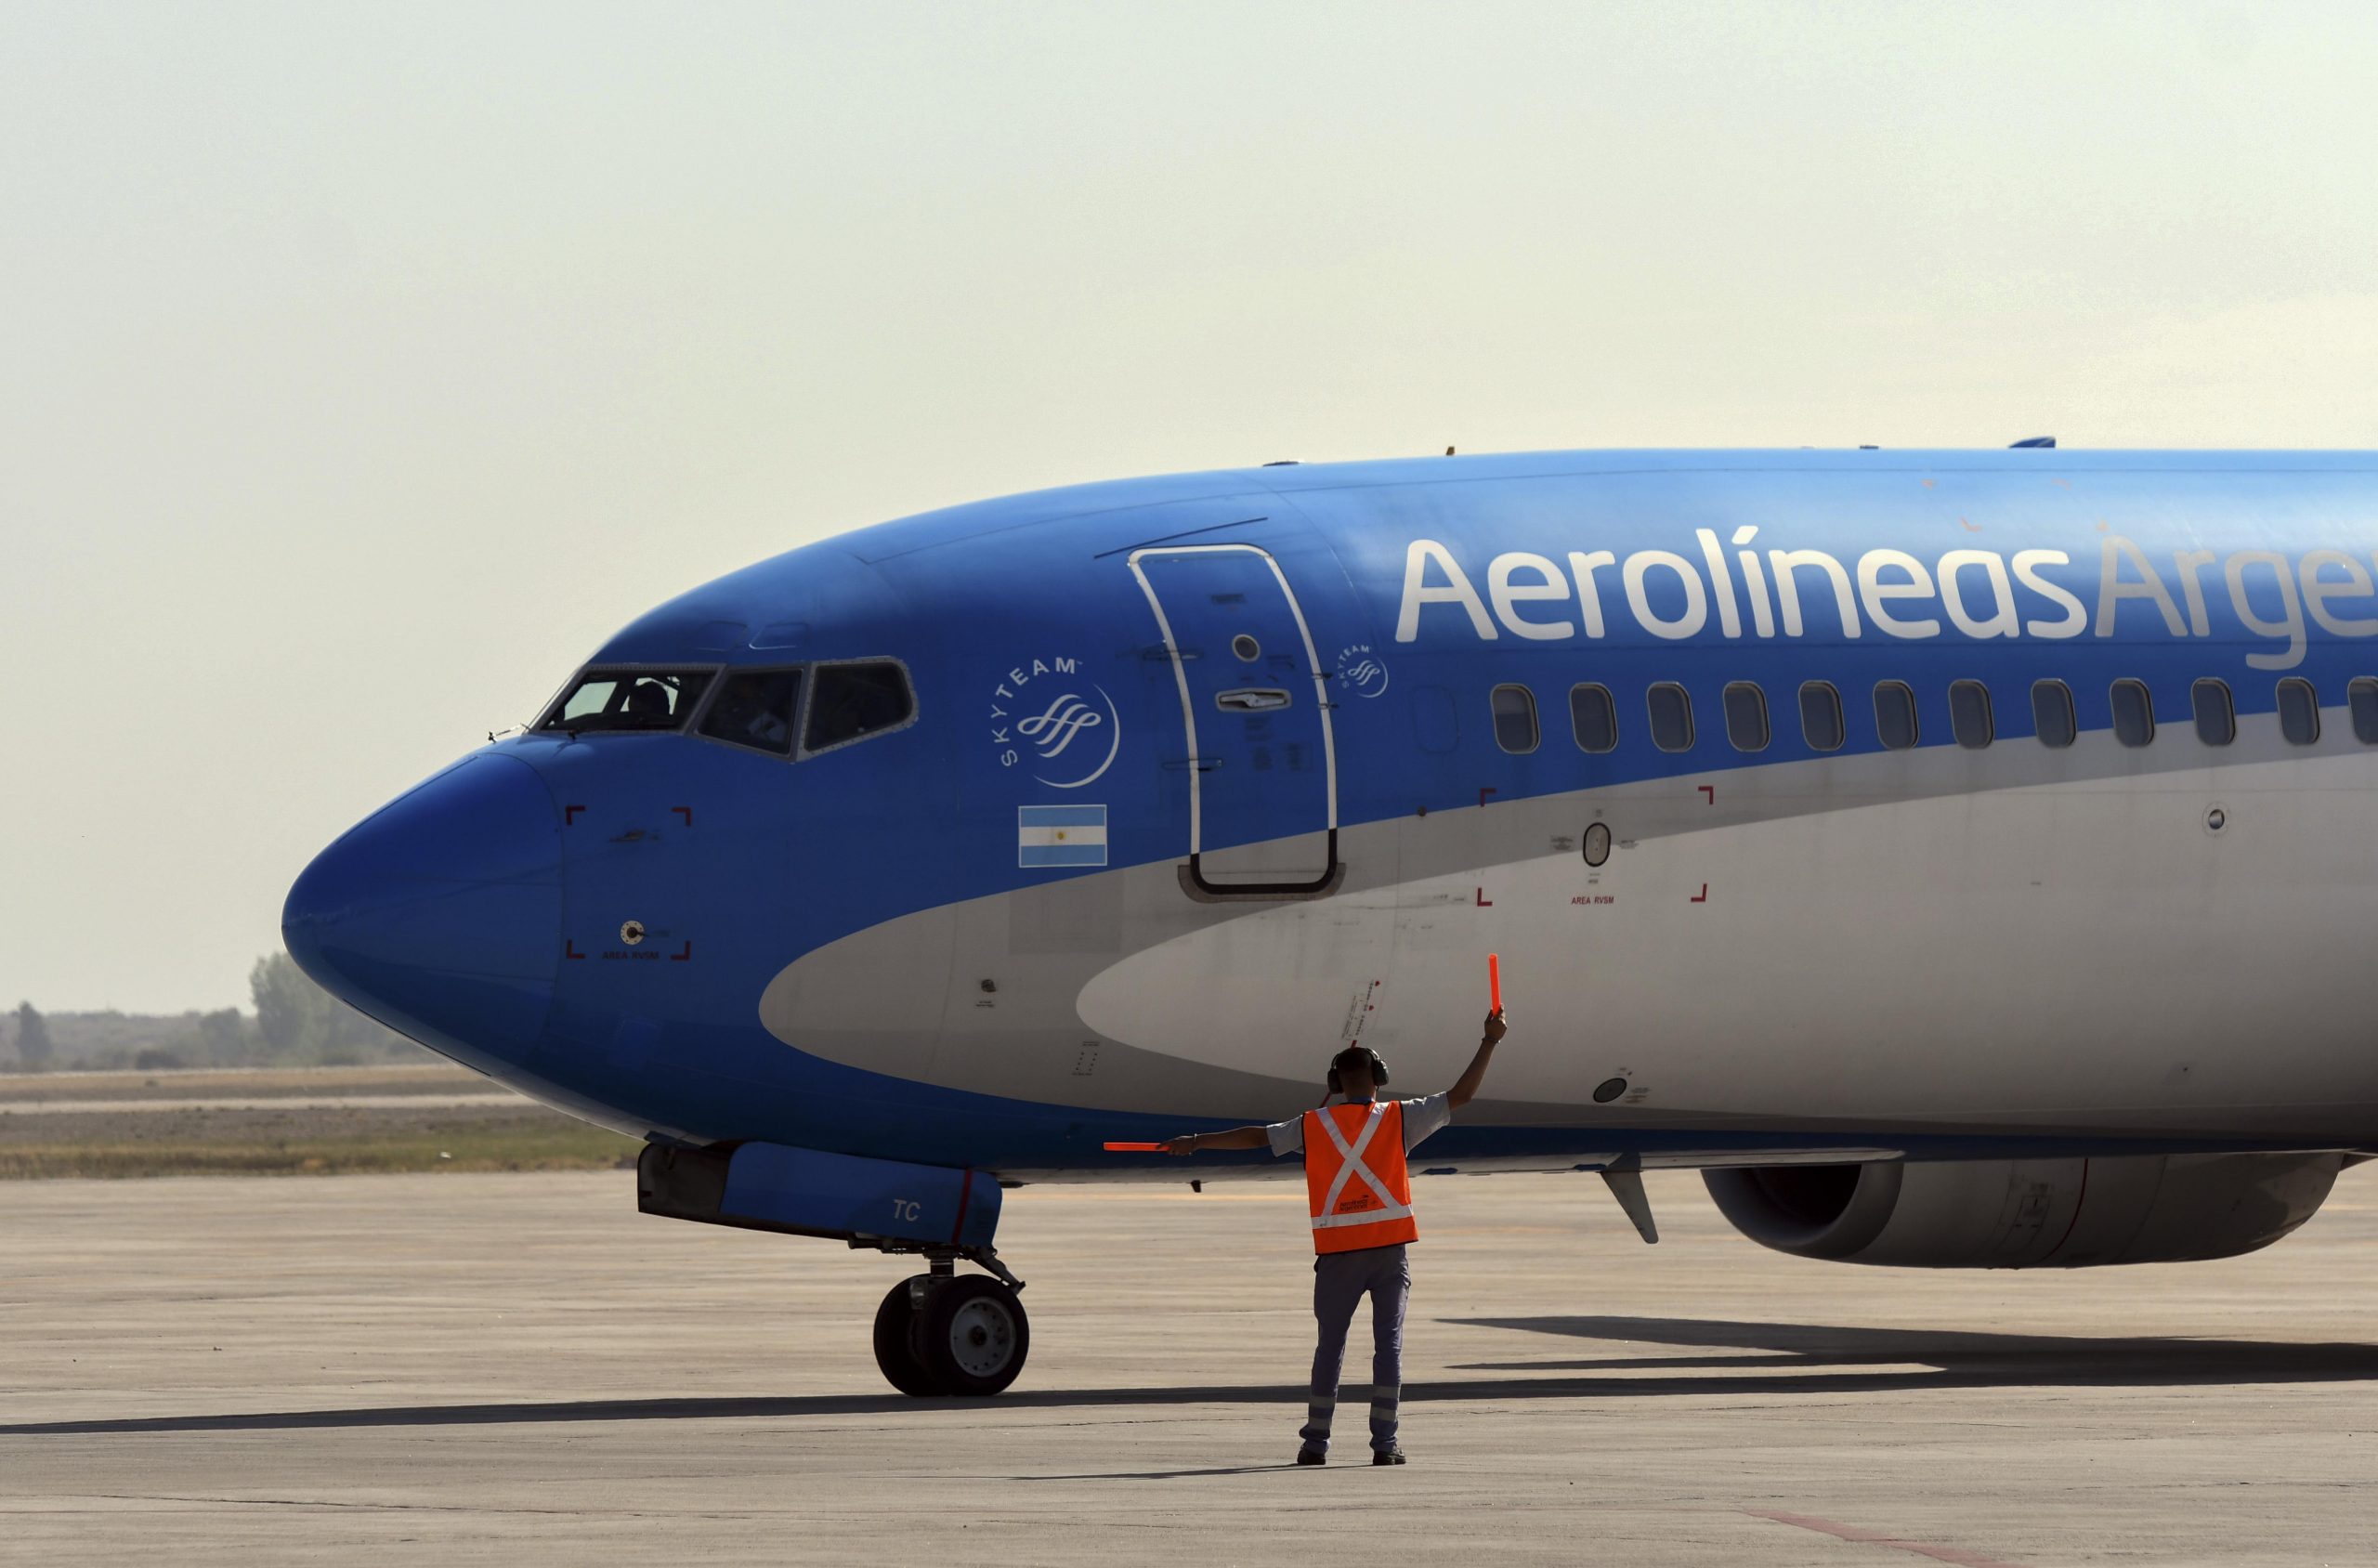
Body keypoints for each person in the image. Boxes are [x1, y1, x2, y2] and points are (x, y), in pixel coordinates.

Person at [1161, 1008, 1509, 1466]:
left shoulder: (1312, 1125)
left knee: (1331, 1346)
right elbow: (1462, 1095)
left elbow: (1253, 1138)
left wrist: (1197, 1142)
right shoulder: (1399, 1118)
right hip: (1388, 1253)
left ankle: (1315, 1444)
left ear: (1336, 1082)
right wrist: (1490, 1040)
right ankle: (1384, 1444)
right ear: (1379, 1078)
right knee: (1389, 1345)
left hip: (1338, 1255)